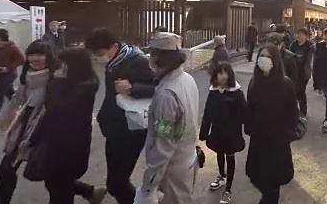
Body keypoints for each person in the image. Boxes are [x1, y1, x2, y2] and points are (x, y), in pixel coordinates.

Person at [82, 28, 156, 204]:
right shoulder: (116, 61)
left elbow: (157, 88)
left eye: (99, 53)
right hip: (115, 129)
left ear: (114, 46)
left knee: (117, 183)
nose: (98, 58)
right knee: (116, 181)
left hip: (131, 130)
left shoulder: (137, 61)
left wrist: (132, 89)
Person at [29, 48, 102, 204]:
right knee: (56, 185)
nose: (59, 68)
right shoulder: (71, 83)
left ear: (73, 65)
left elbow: (58, 107)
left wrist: (56, 82)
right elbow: (49, 114)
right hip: (56, 144)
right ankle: (90, 192)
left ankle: (90, 192)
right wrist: (33, 139)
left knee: (60, 190)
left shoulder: (85, 86)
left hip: (69, 147)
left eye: (62, 64)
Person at [134, 32, 200, 204]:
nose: (150, 59)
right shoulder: (187, 79)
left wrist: (148, 186)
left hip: (171, 170)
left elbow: (164, 144)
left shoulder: (166, 95)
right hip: (188, 158)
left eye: (152, 54)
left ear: (160, 58)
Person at [0, 40, 56, 204]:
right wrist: (3, 117)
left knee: (51, 174)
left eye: (40, 55)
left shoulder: (56, 78)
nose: (35, 59)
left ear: (48, 57)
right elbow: (18, 99)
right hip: (24, 125)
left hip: (44, 128)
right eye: (31, 55)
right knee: (6, 168)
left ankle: (88, 191)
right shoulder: (27, 76)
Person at [245, 44, 298, 204]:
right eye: (262, 56)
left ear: (275, 60)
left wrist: (288, 133)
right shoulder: (255, 82)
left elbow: (293, 112)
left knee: (273, 183)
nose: (264, 60)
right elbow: (250, 108)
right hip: (259, 139)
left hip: (278, 141)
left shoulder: (285, 84)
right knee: (257, 177)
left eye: (268, 57)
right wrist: (249, 127)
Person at [199, 61, 247, 204]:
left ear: (230, 74)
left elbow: (245, 113)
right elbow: (207, 113)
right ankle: (221, 176)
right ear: (216, 75)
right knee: (219, 153)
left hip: (232, 133)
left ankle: (228, 189)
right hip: (217, 131)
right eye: (220, 73)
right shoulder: (213, 91)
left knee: (230, 157)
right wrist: (203, 132)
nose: (223, 76)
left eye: (225, 72)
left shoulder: (237, 92)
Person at [289, 28, 315, 118]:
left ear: (306, 36)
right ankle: (295, 110)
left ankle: (303, 111)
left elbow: (315, 53)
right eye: (298, 34)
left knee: (300, 91)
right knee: (295, 91)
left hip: (304, 72)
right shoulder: (293, 45)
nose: (299, 36)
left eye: (301, 34)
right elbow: (289, 55)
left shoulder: (310, 45)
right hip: (294, 71)